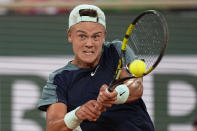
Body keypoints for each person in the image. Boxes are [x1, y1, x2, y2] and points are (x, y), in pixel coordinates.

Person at [38, 4, 155, 131]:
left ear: (104, 36)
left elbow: (136, 86)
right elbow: (53, 127)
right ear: (70, 35)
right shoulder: (58, 79)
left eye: (96, 36)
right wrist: (77, 115)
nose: (89, 44)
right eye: (82, 36)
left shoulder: (116, 51)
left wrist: (116, 95)